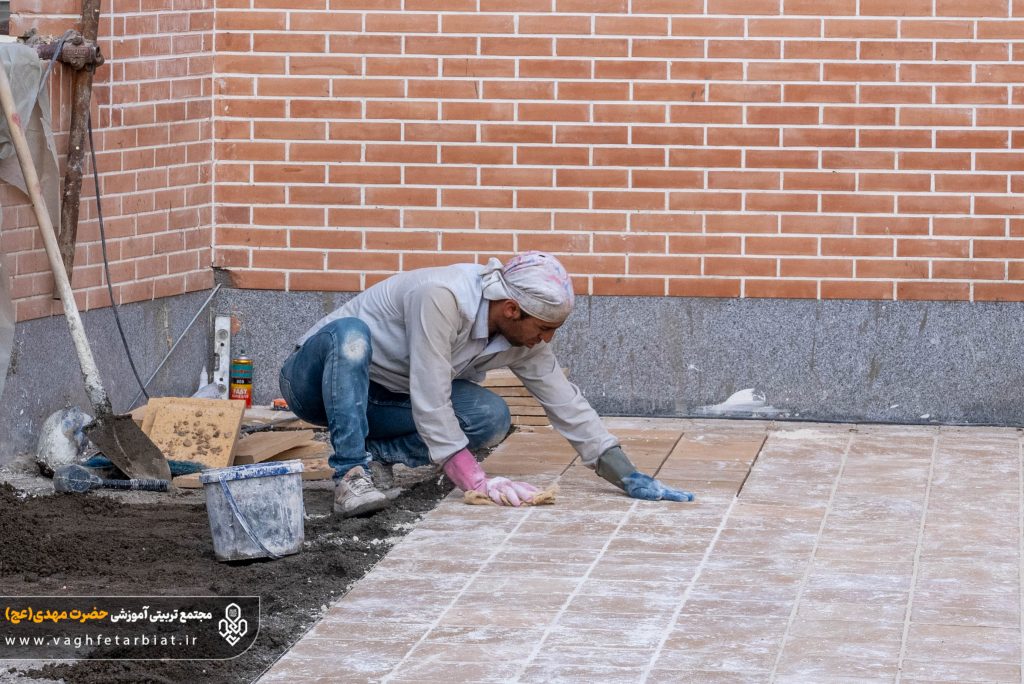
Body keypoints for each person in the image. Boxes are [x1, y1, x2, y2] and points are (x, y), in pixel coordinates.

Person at [279, 251, 694, 517]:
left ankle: (376, 456)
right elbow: (431, 394)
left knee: (490, 416)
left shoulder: (522, 339)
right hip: (317, 383)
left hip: (383, 400)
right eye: (544, 328)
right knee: (350, 335)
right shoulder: (443, 296)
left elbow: (566, 403)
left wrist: (626, 474)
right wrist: (474, 481)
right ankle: (351, 474)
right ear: (512, 309)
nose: (546, 339)